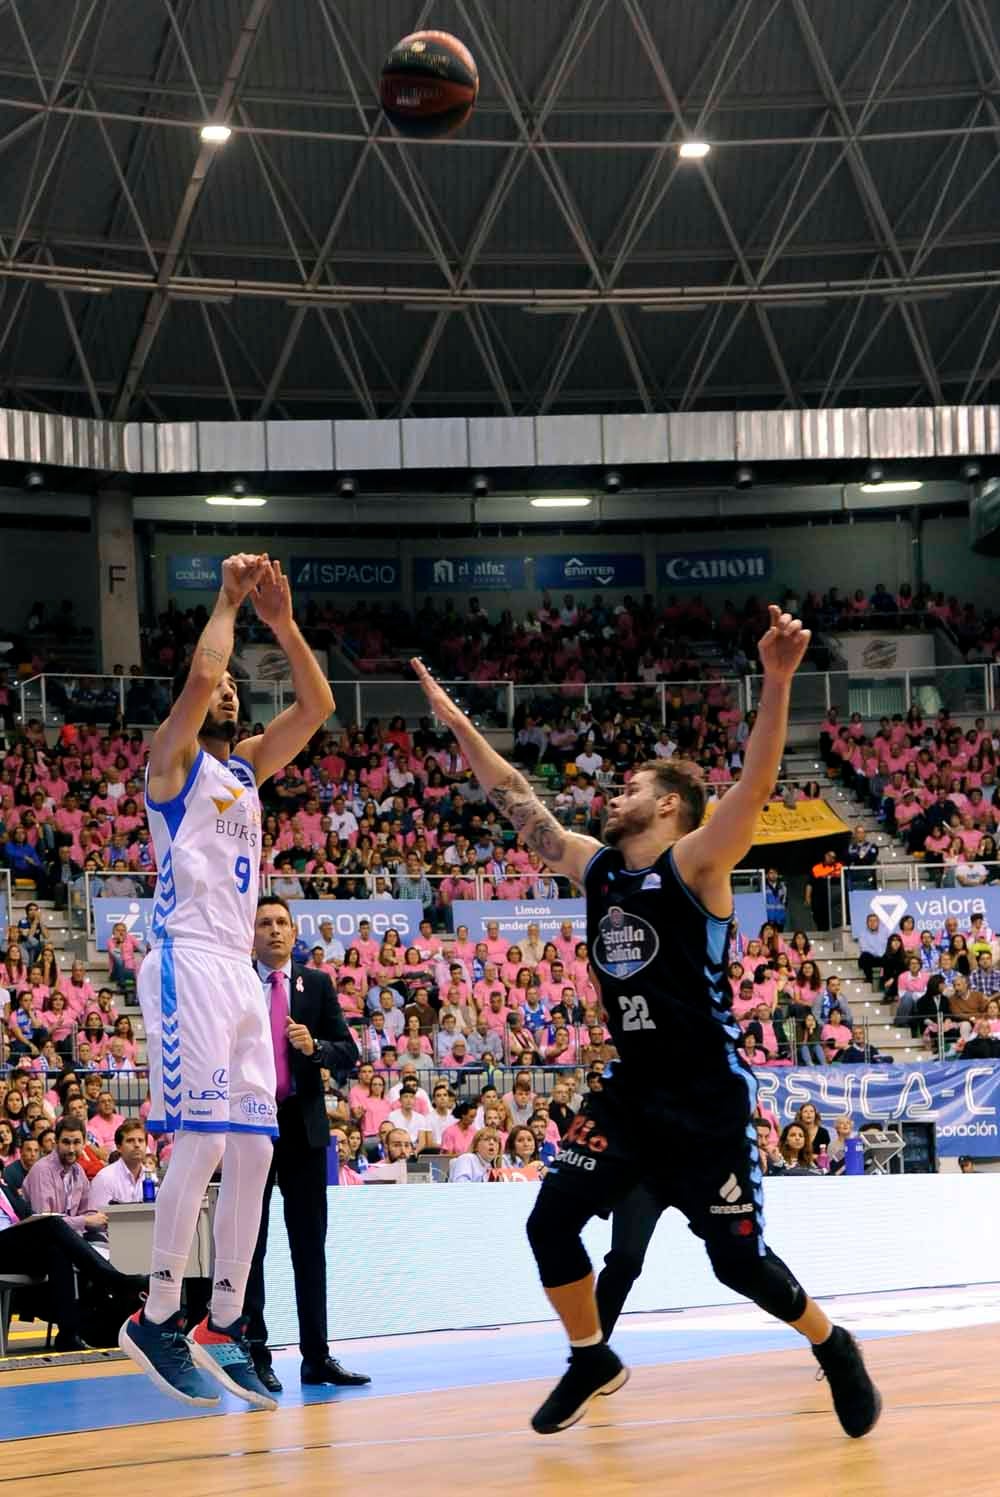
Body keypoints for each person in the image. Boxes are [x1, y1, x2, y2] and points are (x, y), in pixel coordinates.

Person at [411, 612, 881, 1442]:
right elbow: (519, 802)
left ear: (668, 804)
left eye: (629, 787)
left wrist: (775, 681)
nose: (611, 796)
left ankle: (833, 1342)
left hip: (705, 1100)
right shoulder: (595, 868)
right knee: (547, 1220)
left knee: (736, 1262)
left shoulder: (696, 863)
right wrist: (456, 726)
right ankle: (591, 1355)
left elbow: (754, 788)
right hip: (632, 1095)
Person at [119, 554, 334, 1410]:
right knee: (202, 1142)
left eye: (244, 690)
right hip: (185, 963)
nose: (233, 691)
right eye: (223, 690)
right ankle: (157, 1312)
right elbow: (208, 666)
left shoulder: (245, 769)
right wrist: (228, 600)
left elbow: (316, 706)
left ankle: (224, 1319)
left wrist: (282, 624)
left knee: (254, 1149)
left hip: (240, 972)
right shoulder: (169, 763)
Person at [243, 894, 367, 1394]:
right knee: (247, 1247)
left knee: (308, 1246)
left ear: (294, 934)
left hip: (303, 1127)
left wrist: (315, 1047)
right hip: (248, 1126)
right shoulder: (235, 983)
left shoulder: (314, 984)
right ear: (249, 934)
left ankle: (316, 1356)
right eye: (265, 923)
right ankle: (255, 1353)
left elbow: (348, 1055)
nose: (275, 930)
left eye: (282, 923)